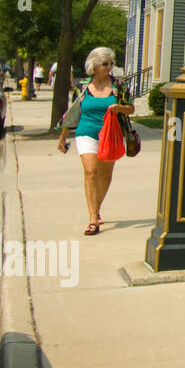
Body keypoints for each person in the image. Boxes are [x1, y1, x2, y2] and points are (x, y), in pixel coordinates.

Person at [56, 47, 134, 235]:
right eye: (105, 64)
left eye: (111, 63)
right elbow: (73, 112)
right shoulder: (82, 86)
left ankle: (96, 208)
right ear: (94, 66)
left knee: (105, 175)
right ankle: (93, 220)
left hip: (110, 135)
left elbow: (130, 109)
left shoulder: (119, 86)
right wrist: (63, 136)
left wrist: (119, 108)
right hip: (86, 133)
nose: (109, 67)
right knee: (91, 171)